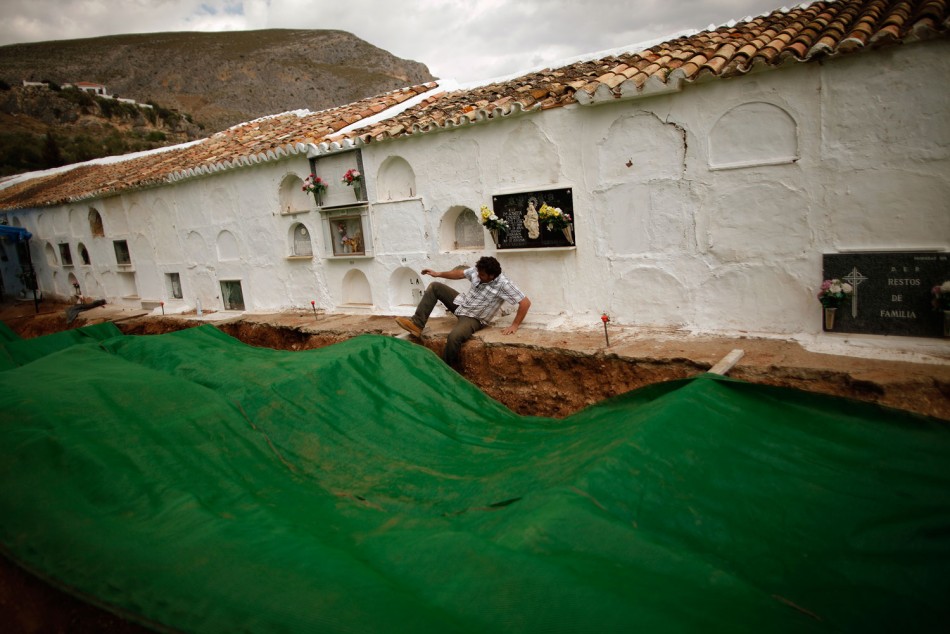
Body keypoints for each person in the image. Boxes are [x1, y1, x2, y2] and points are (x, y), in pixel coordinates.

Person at [395, 256, 531, 369]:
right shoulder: (479, 271)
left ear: (492, 276)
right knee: (435, 286)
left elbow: (525, 303)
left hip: (474, 317)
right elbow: (460, 273)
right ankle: (417, 324)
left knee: (454, 337)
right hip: (462, 304)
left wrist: (515, 325)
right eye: (478, 273)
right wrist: (438, 274)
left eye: (482, 275)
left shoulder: (504, 284)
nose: (478, 276)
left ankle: (447, 369)